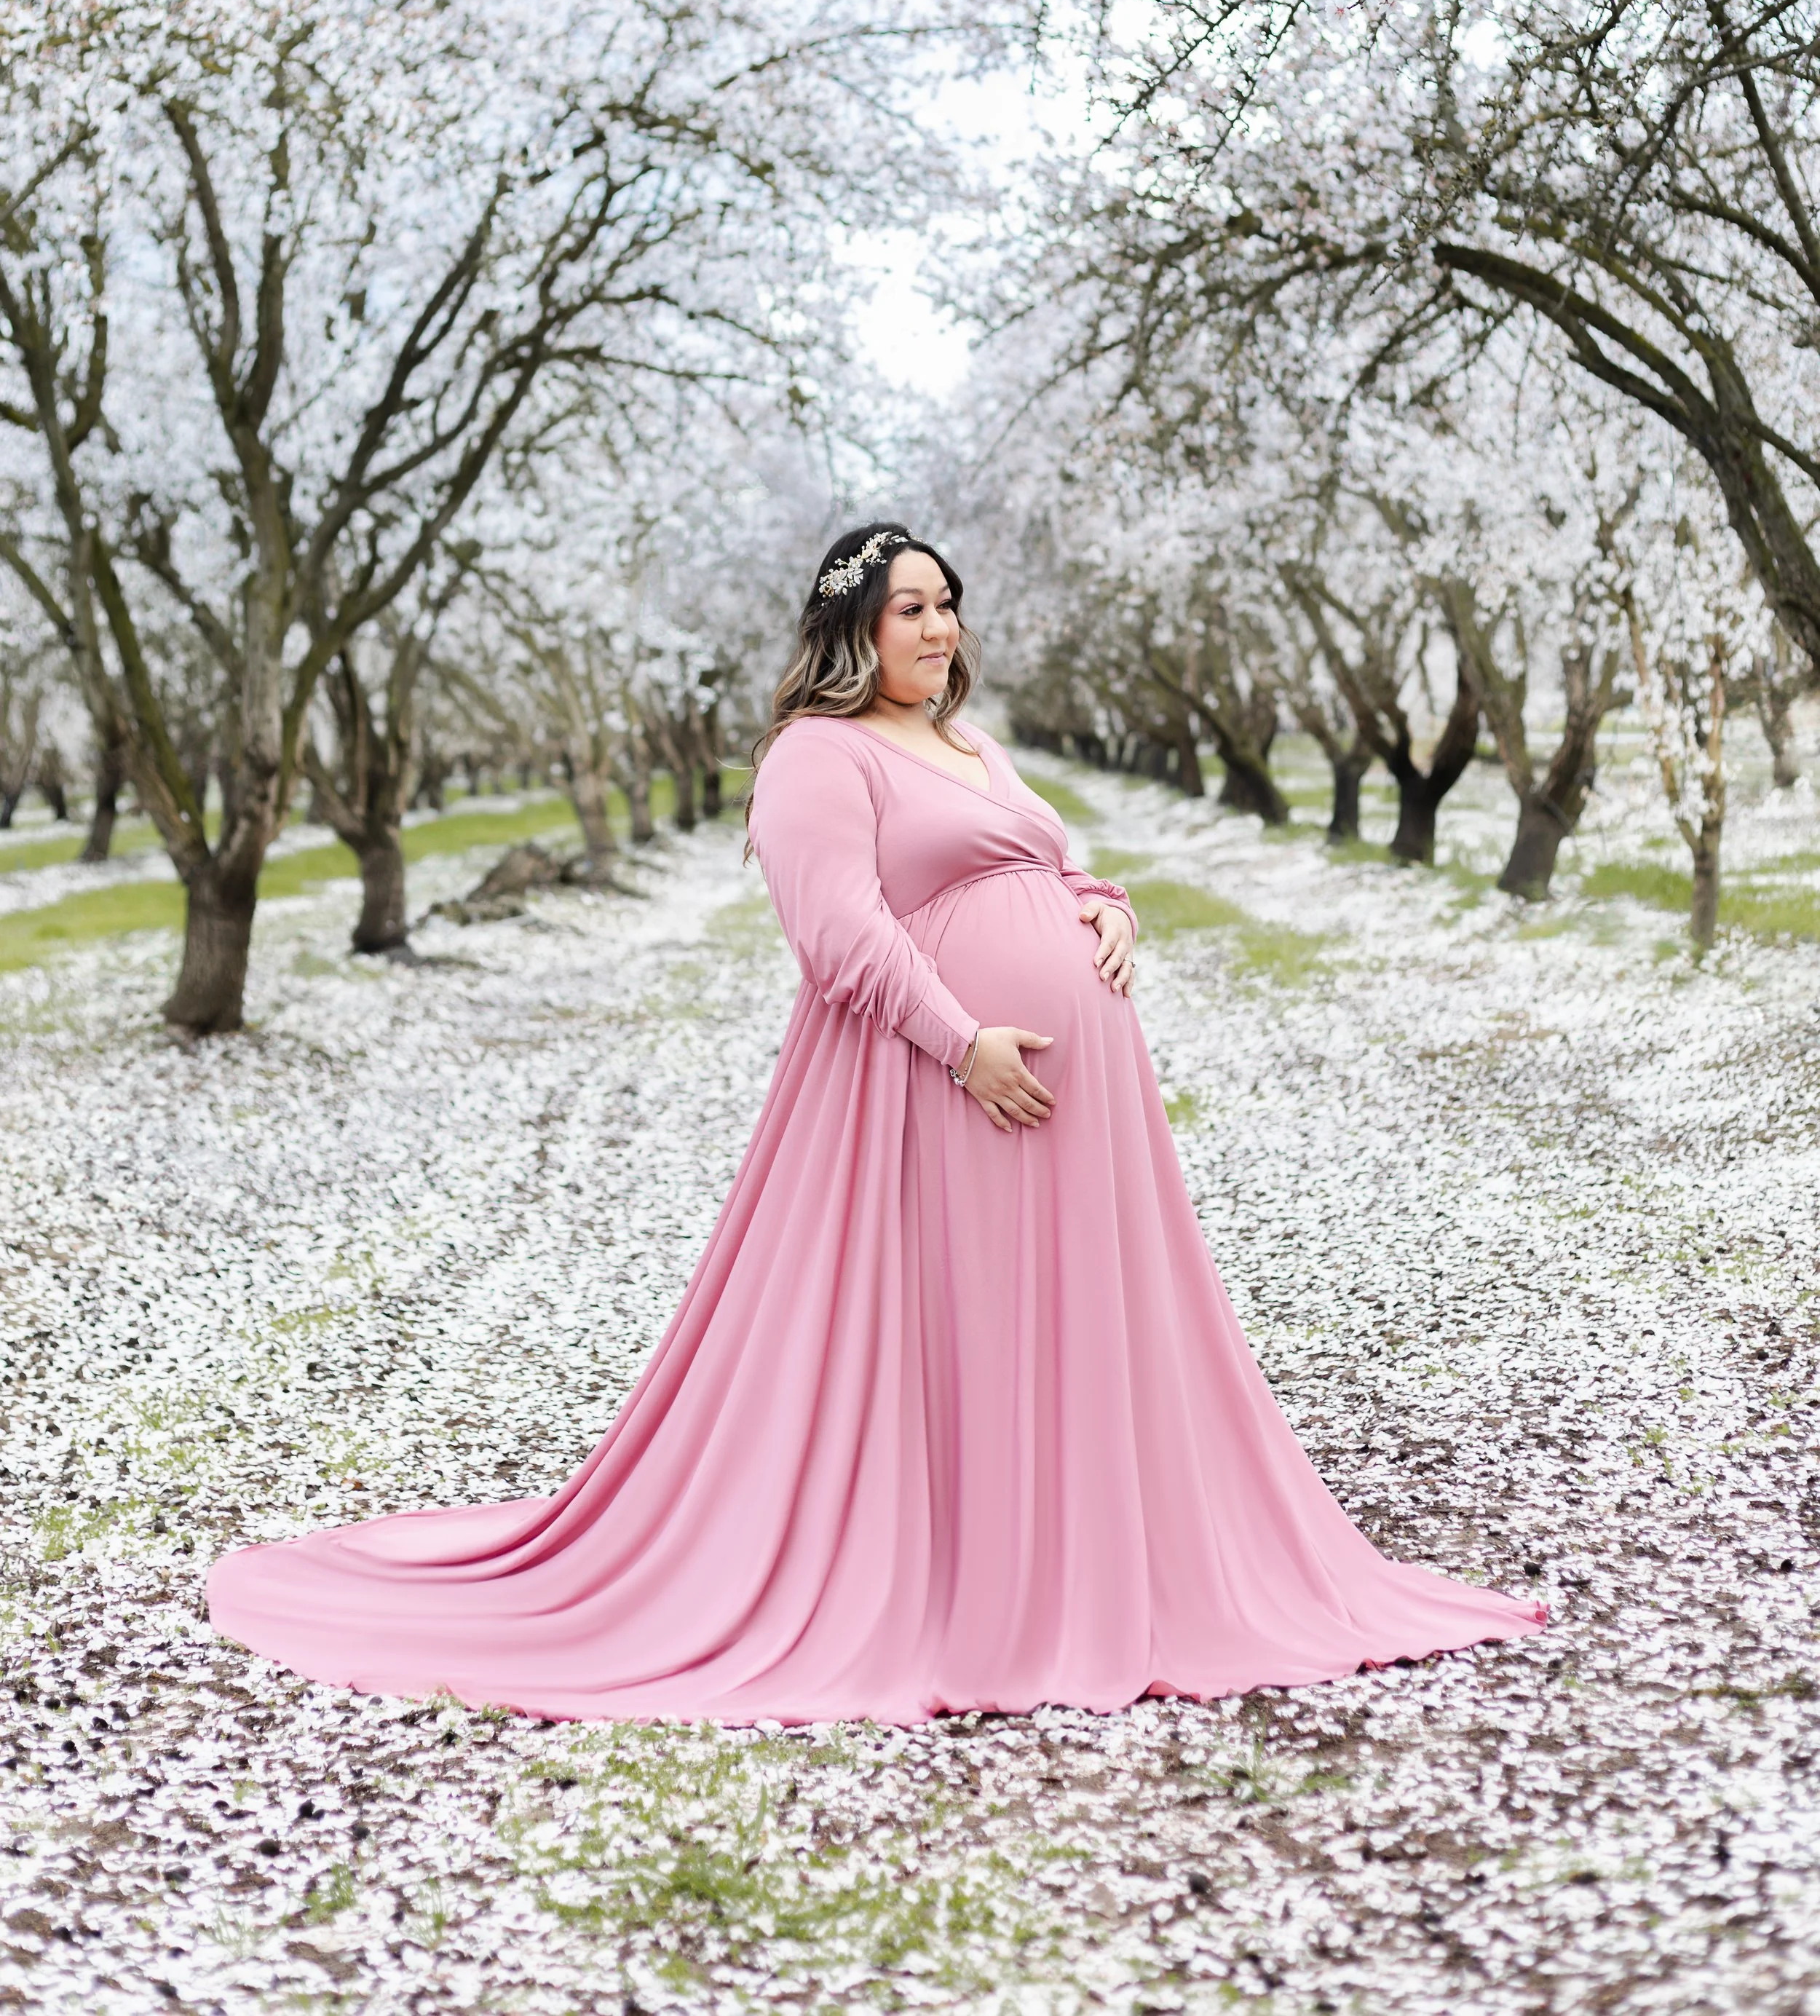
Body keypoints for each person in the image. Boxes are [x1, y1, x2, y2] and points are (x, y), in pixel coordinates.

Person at [208, 522, 1541, 1720]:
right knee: (969, 1335)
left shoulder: (973, 743)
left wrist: (1111, 903)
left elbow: (1051, 857)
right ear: (853, 624)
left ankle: (1098, 1560)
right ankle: (978, 1583)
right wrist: (962, 1040)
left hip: (1077, 1112)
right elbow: (837, 932)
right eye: (911, 608)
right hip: (933, 1091)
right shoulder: (815, 755)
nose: (939, 628)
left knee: (1070, 1324)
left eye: (948, 604)